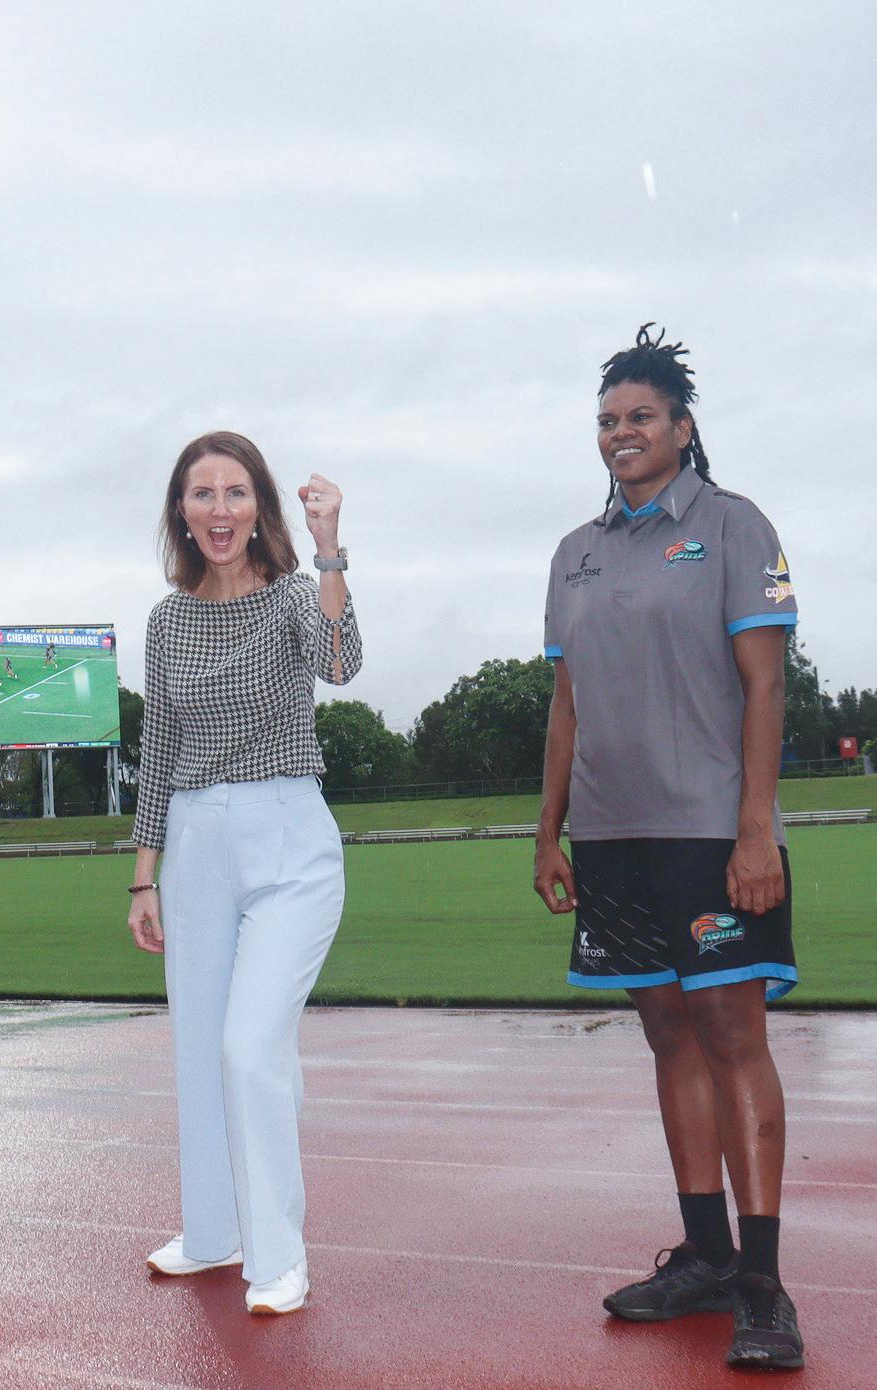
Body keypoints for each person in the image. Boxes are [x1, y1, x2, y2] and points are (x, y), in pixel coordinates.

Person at [534, 326, 803, 1370]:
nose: (620, 433)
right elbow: (565, 704)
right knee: (667, 1037)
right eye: (606, 419)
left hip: (710, 831)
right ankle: (704, 1256)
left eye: (640, 416)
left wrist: (755, 830)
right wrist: (549, 831)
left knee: (732, 1036)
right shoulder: (575, 550)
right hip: (610, 837)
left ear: (682, 429)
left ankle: (763, 1286)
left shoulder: (734, 526)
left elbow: (764, 686)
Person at [127, 429, 359, 1316]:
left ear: (259, 505)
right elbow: (159, 751)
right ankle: (213, 1233)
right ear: (180, 512)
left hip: (288, 839)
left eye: (235, 493)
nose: (219, 511)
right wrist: (143, 878)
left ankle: (279, 1258)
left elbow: (340, 663)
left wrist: (330, 547)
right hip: (194, 846)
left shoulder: (296, 596)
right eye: (202, 494)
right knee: (199, 1050)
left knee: (250, 1048)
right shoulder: (167, 620)